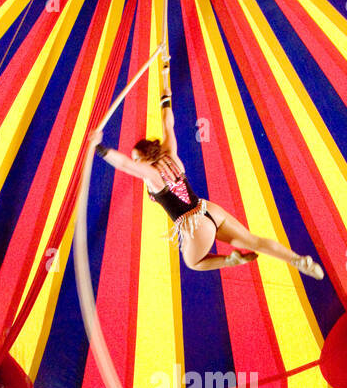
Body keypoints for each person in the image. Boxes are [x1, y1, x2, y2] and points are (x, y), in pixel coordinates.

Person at [89, 85, 324, 279]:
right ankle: (298, 259)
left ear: (144, 158)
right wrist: (165, 96)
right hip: (208, 208)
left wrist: (99, 147)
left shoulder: (151, 174)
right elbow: (167, 124)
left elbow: (124, 165)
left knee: (194, 263)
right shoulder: (170, 154)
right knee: (254, 240)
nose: (135, 162)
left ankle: (229, 261)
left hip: (193, 224)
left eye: (137, 158)